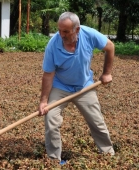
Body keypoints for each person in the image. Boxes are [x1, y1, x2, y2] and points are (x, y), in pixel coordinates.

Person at [38, 11, 115, 161]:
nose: (61, 34)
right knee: (51, 120)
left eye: (66, 31)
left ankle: (108, 154)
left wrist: (106, 73)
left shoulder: (89, 35)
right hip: (60, 87)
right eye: (59, 30)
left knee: (97, 122)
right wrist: (43, 101)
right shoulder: (53, 45)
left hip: (84, 87)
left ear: (77, 29)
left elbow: (110, 47)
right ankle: (54, 159)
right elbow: (48, 75)